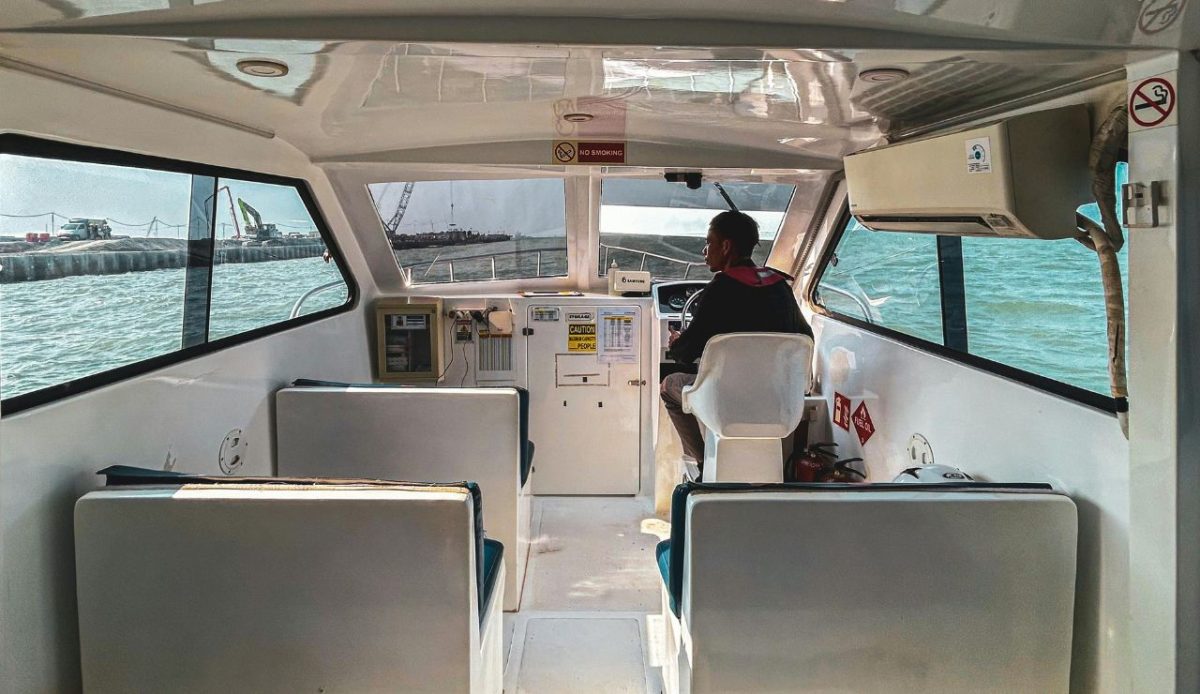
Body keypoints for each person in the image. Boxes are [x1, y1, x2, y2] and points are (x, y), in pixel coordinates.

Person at [660, 210, 812, 467]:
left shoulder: (719, 290)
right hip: (777, 401)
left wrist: (676, 343)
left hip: (725, 402)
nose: (705, 250)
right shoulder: (781, 288)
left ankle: (702, 463)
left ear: (726, 246)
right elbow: (804, 339)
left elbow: (686, 354)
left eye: (709, 242)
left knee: (668, 387)